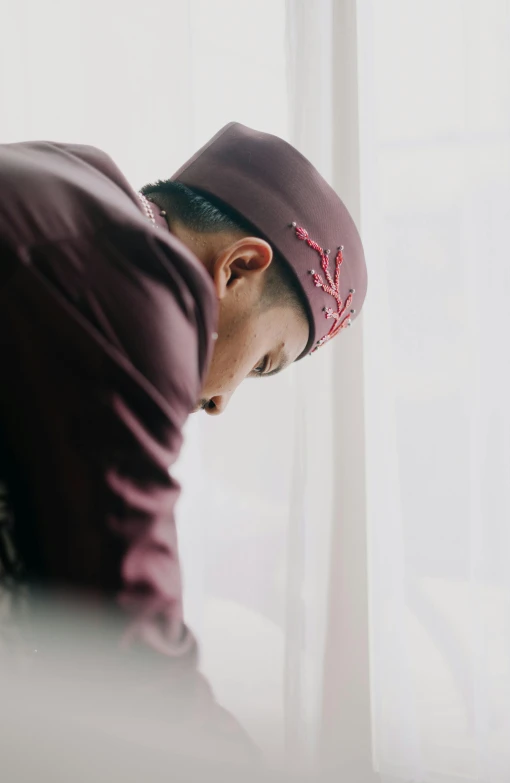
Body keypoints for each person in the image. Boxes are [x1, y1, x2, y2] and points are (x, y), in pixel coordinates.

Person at [0, 122, 367, 775]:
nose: (222, 402)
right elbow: (125, 646)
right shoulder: (137, 276)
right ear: (240, 267)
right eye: (262, 363)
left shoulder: (67, 178)